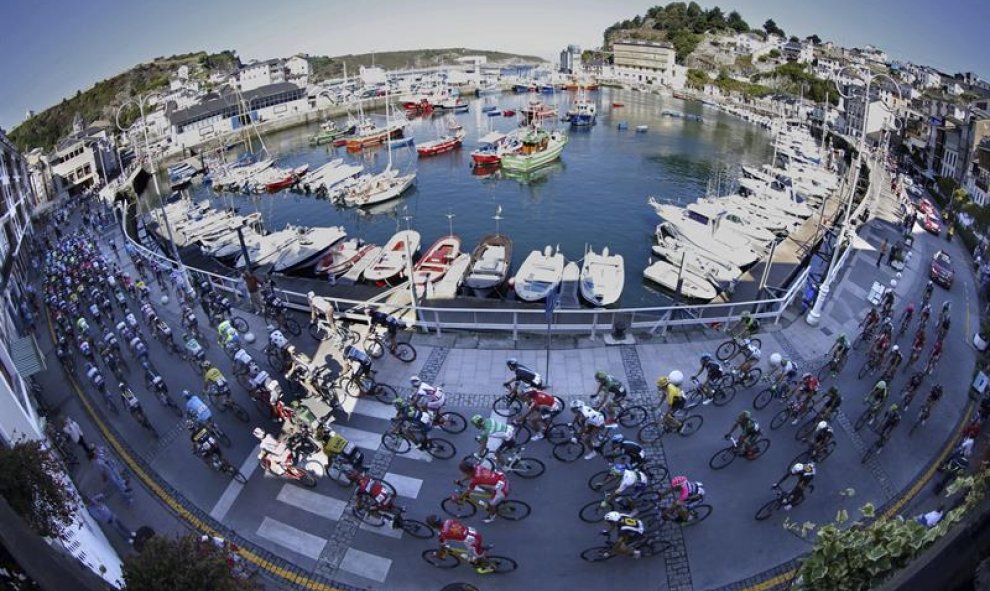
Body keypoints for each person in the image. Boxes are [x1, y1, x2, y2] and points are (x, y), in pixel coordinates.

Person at [456, 457, 509, 523]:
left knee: (491, 504)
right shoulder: (476, 466)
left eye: (463, 472)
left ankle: (492, 516)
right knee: (482, 485)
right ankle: (492, 493)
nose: (463, 473)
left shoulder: (475, 480)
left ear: (467, 471)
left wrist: (460, 497)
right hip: (501, 477)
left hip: (501, 488)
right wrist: (461, 481)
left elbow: (468, 492)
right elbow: (471, 475)